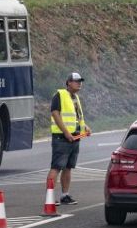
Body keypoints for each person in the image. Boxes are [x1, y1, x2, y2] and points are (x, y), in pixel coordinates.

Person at [47, 72, 91, 206]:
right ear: (68, 83)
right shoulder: (59, 95)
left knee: (68, 168)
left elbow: (76, 118)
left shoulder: (76, 98)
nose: (79, 83)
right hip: (62, 138)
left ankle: (65, 195)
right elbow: (55, 114)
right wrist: (66, 133)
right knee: (56, 167)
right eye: (76, 81)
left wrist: (85, 127)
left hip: (75, 137)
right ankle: (49, 197)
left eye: (80, 81)